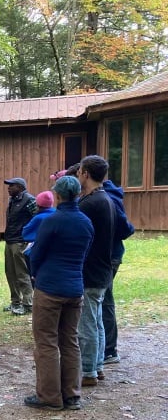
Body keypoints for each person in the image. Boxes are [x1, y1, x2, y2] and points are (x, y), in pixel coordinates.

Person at [24, 176, 94, 411]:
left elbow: (36, 253)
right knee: (70, 340)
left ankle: (49, 396)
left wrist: (35, 274)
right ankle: (72, 395)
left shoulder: (53, 221)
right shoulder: (85, 222)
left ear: (60, 195)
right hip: (75, 288)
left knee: (46, 342)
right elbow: (85, 256)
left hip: (50, 288)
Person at [76, 155, 116, 387]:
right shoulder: (105, 199)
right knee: (97, 320)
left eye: (80, 171)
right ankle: (98, 366)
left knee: (88, 323)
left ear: (86, 174)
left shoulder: (90, 204)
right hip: (102, 270)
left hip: (91, 271)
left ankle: (89, 370)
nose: (79, 175)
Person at [101, 179, 135, 365]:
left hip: (109, 256)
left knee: (105, 299)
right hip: (105, 255)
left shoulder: (108, 199)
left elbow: (125, 228)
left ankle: (109, 350)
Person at [3, 177, 37, 315]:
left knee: (22, 273)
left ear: (20, 187)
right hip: (10, 240)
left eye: (12, 185)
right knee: (10, 273)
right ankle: (15, 302)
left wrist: (28, 237)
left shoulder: (29, 200)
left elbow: (36, 218)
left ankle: (28, 304)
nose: (8, 188)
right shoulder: (12, 200)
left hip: (20, 241)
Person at [22, 191, 56, 272]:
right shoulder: (57, 214)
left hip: (38, 251)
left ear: (38, 205)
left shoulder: (38, 218)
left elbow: (25, 233)